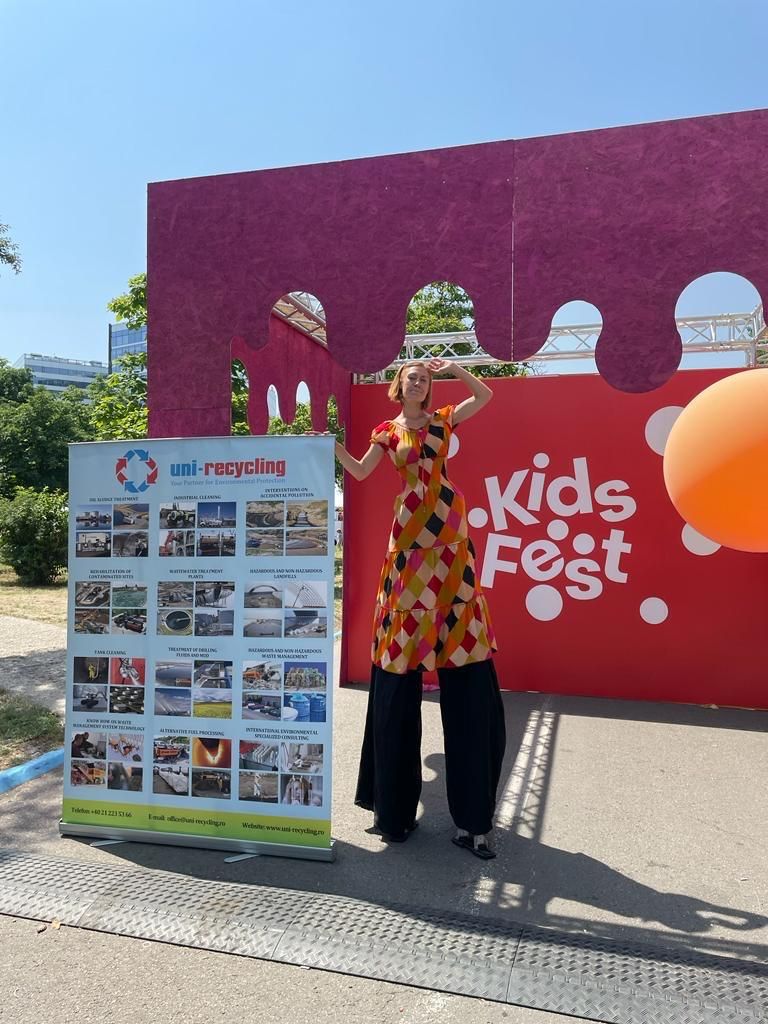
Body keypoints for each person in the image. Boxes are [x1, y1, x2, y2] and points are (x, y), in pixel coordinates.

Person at [334, 358, 507, 859]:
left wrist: (456, 369)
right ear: (398, 384)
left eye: (425, 378)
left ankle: (472, 819)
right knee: (403, 635)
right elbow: (360, 471)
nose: (419, 382)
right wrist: (329, 447)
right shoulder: (387, 431)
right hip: (408, 528)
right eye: (412, 376)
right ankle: (394, 812)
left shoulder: (443, 420)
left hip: (449, 523)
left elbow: (485, 397)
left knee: (460, 628)